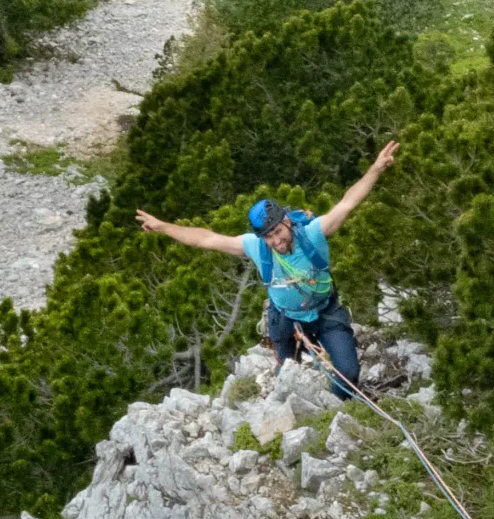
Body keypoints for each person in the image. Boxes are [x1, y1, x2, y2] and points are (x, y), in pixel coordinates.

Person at [134, 140, 400, 397]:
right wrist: (164, 227)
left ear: (286, 221)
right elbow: (207, 238)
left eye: (277, 232)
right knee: (289, 375)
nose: (276, 241)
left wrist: (375, 169)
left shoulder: (314, 234)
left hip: (325, 311)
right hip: (285, 319)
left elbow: (347, 203)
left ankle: (337, 405)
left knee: (348, 373)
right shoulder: (256, 246)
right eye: (268, 237)